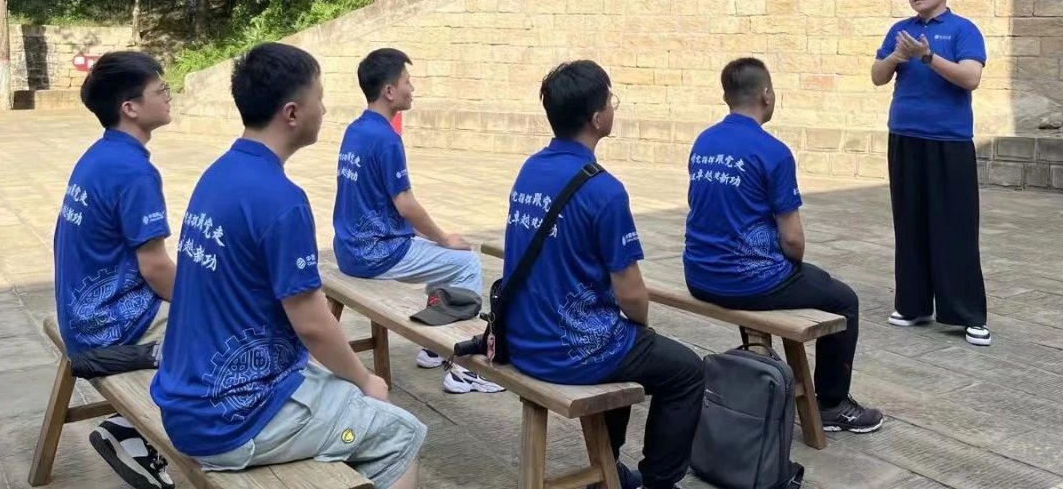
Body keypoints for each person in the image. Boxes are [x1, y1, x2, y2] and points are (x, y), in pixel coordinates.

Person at [151, 43, 425, 488]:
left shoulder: (219, 173)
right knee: (400, 433)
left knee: (340, 395)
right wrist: (366, 379)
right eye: (320, 98)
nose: (325, 109)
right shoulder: (282, 200)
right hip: (234, 417)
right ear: (293, 113)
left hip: (188, 398)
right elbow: (312, 323)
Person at [503, 61, 704, 489]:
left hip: (521, 342)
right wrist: (642, 324)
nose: (614, 106)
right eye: (611, 100)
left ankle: (608, 468)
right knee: (686, 371)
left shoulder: (530, 169)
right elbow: (631, 294)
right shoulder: (604, 190)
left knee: (626, 343)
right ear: (597, 118)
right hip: (568, 352)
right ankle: (658, 481)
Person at [684, 58, 883, 434]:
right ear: (767, 95)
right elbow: (793, 241)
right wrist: (789, 261)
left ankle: (762, 357)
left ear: (726, 97)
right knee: (844, 300)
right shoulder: (772, 151)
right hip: (747, 282)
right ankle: (833, 403)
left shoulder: (704, 141)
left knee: (808, 278)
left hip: (698, 275)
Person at [333, 48, 502, 395]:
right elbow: (405, 204)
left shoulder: (355, 130)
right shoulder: (386, 139)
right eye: (407, 82)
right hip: (377, 253)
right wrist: (443, 238)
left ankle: (431, 347)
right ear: (389, 91)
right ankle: (464, 369)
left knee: (443, 261)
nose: (412, 89)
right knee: (465, 262)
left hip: (349, 249)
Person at [53, 51, 178, 489]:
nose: (169, 96)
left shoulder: (99, 155)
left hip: (82, 314)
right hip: (109, 326)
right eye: (161, 90)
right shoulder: (134, 172)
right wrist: (207, 304)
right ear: (130, 107)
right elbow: (156, 269)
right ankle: (130, 431)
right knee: (235, 335)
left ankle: (131, 429)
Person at [871, 0, 990, 347]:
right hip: (904, 136)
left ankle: (967, 314)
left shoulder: (963, 30)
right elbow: (877, 76)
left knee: (954, 226)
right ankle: (912, 305)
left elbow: (970, 77)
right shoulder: (900, 31)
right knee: (909, 223)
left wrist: (927, 57)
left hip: (948, 142)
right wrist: (896, 56)